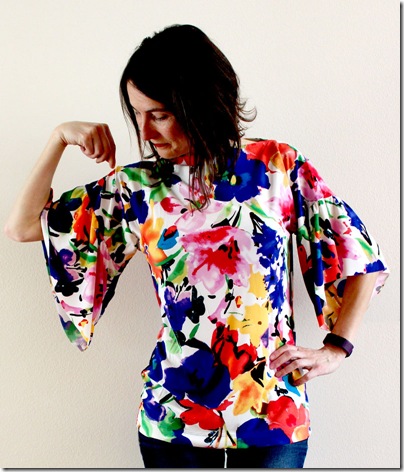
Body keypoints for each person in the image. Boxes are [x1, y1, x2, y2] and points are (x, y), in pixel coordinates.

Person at [4, 24, 388, 469]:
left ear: (202, 103)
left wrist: (337, 347)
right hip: (173, 417)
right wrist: (59, 137)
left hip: (272, 413)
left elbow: (358, 253)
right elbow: (23, 226)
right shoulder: (137, 188)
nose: (144, 131)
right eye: (137, 114)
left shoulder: (277, 167)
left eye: (159, 114)